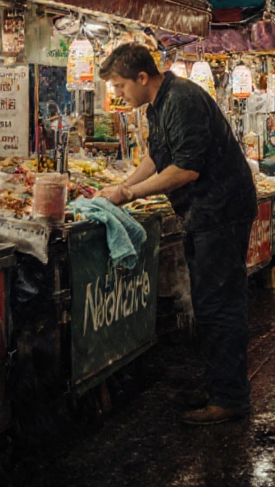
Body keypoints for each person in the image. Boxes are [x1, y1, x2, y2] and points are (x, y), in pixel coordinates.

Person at [98, 44, 257, 425]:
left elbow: (186, 169)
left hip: (221, 211)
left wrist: (131, 193)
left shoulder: (182, 98)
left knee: (220, 304)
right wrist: (121, 187)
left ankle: (230, 397)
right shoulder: (160, 104)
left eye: (120, 86)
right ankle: (221, 386)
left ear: (142, 77)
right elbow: (159, 157)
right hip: (203, 214)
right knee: (207, 303)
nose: (118, 94)